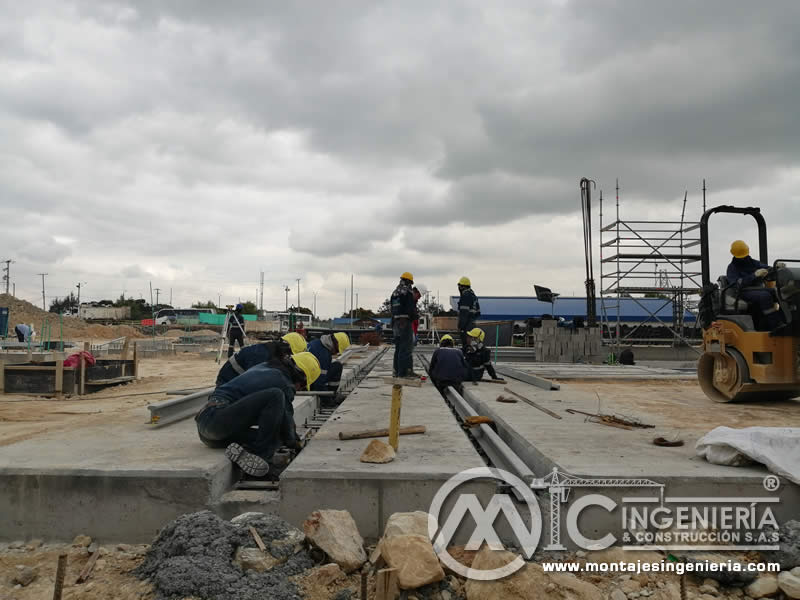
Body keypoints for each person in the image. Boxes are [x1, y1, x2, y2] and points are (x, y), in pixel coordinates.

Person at [195, 351, 321, 477]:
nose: (299, 389)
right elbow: (287, 419)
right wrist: (295, 443)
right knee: (275, 396)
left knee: (276, 438)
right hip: (215, 419)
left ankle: (245, 454)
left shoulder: (267, 367)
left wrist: (288, 438)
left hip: (210, 433)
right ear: (301, 377)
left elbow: (282, 419)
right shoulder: (283, 382)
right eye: (303, 386)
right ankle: (261, 457)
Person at [726, 240, 784, 331]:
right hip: (743, 292)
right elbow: (736, 284)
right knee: (765, 296)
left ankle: (784, 320)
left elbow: (766, 268)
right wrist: (754, 275)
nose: (744, 258)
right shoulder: (732, 268)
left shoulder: (752, 262)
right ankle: (775, 325)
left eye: (744, 255)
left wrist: (775, 268)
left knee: (778, 292)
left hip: (758, 289)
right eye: (742, 256)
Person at [215, 332, 308, 386]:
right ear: (287, 349)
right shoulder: (262, 356)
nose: (288, 359)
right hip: (226, 384)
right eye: (290, 355)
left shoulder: (269, 351)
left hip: (232, 381)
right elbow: (253, 383)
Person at [391, 271, 417, 377]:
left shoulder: (394, 293)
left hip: (396, 323)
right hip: (405, 322)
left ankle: (397, 371)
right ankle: (402, 373)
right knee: (405, 348)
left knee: (398, 348)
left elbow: (392, 309)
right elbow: (410, 309)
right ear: (409, 281)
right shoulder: (407, 292)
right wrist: (415, 317)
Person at [457, 277, 481, 348]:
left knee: (466, 346)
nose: (459, 288)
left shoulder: (465, 296)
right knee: (472, 346)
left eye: (460, 286)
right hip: (473, 324)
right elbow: (478, 313)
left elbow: (463, 314)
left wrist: (460, 327)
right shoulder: (473, 296)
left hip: (466, 326)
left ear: (462, 286)